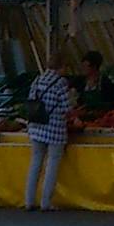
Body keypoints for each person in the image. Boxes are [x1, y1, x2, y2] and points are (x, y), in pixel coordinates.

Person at [25, 57, 77, 211]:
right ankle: (46, 202)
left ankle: (29, 200)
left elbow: (30, 100)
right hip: (54, 128)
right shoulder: (60, 83)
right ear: (60, 67)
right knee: (52, 164)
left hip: (36, 127)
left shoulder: (37, 80)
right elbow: (67, 108)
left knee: (35, 163)